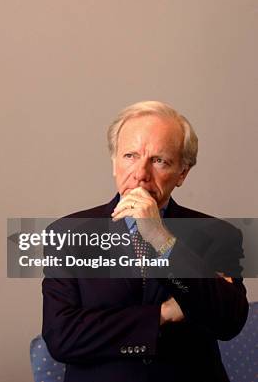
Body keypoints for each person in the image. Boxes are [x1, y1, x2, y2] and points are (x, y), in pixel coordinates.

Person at [42, 101, 249, 382]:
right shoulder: (67, 234)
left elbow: (228, 322)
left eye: (159, 160)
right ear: (114, 162)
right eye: (130, 155)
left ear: (182, 173)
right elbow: (62, 337)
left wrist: (162, 240)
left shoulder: (217, 234)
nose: (140, 173)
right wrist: (163, 314)